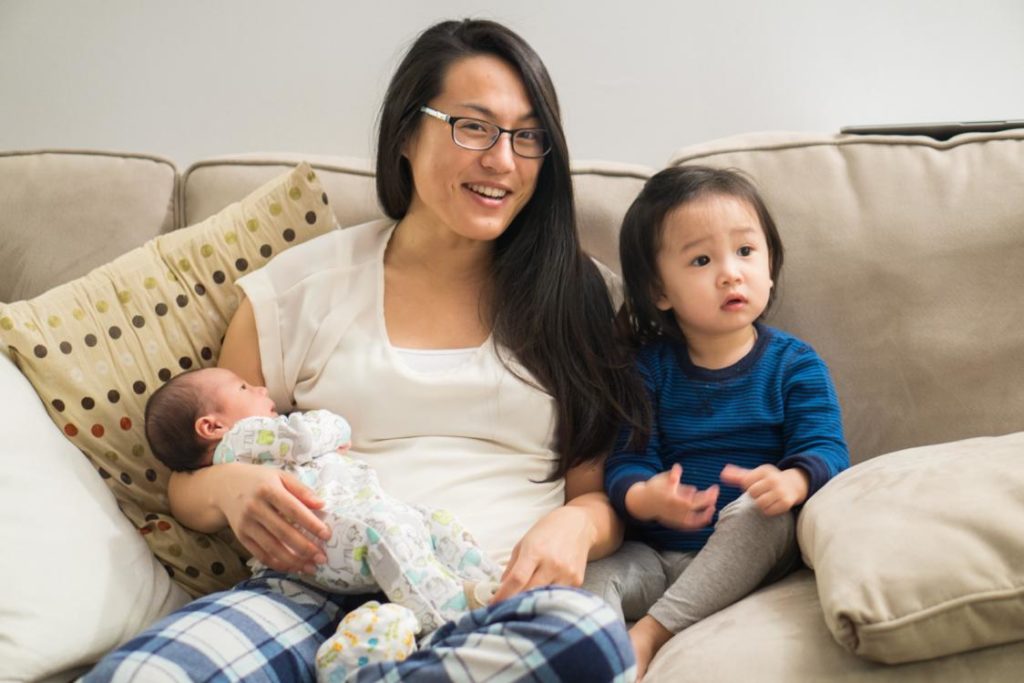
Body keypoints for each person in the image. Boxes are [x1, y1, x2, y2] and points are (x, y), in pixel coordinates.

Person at [87, 18, 647, 683]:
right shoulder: (299, 289)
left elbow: (600, 493)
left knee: (590, 637)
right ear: (406, 134)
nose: (503, 159)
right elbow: (193, 481)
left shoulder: (583, 299)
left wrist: (577, 524)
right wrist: (234, 487)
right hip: (304, 590)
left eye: (527, 136)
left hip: (479, 598)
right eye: (473, 127)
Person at [582, 166, 849, 679]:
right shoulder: (647, 369)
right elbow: (626, 463)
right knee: (592, 575)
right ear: (660, 291)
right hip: (656, 555)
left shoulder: (794, 364)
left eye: (746, 252)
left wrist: (792, 482)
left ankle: (651, 634)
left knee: (761, 515)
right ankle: (596, 658)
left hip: (748, 548)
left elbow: (828, 450)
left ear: (770, 268)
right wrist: (648, 496)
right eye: (702, 260)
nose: (730, 273)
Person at [143, 366, 502, 676]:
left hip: (345, 527)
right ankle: (451, 620)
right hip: (324, 536)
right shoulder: (241, 439)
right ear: (212, 426)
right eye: (243, 387)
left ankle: (489, 585)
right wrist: (334, 427)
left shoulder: (261, 444)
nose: (261, 389)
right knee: (382, 531)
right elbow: (304, 436)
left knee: (433, 520)